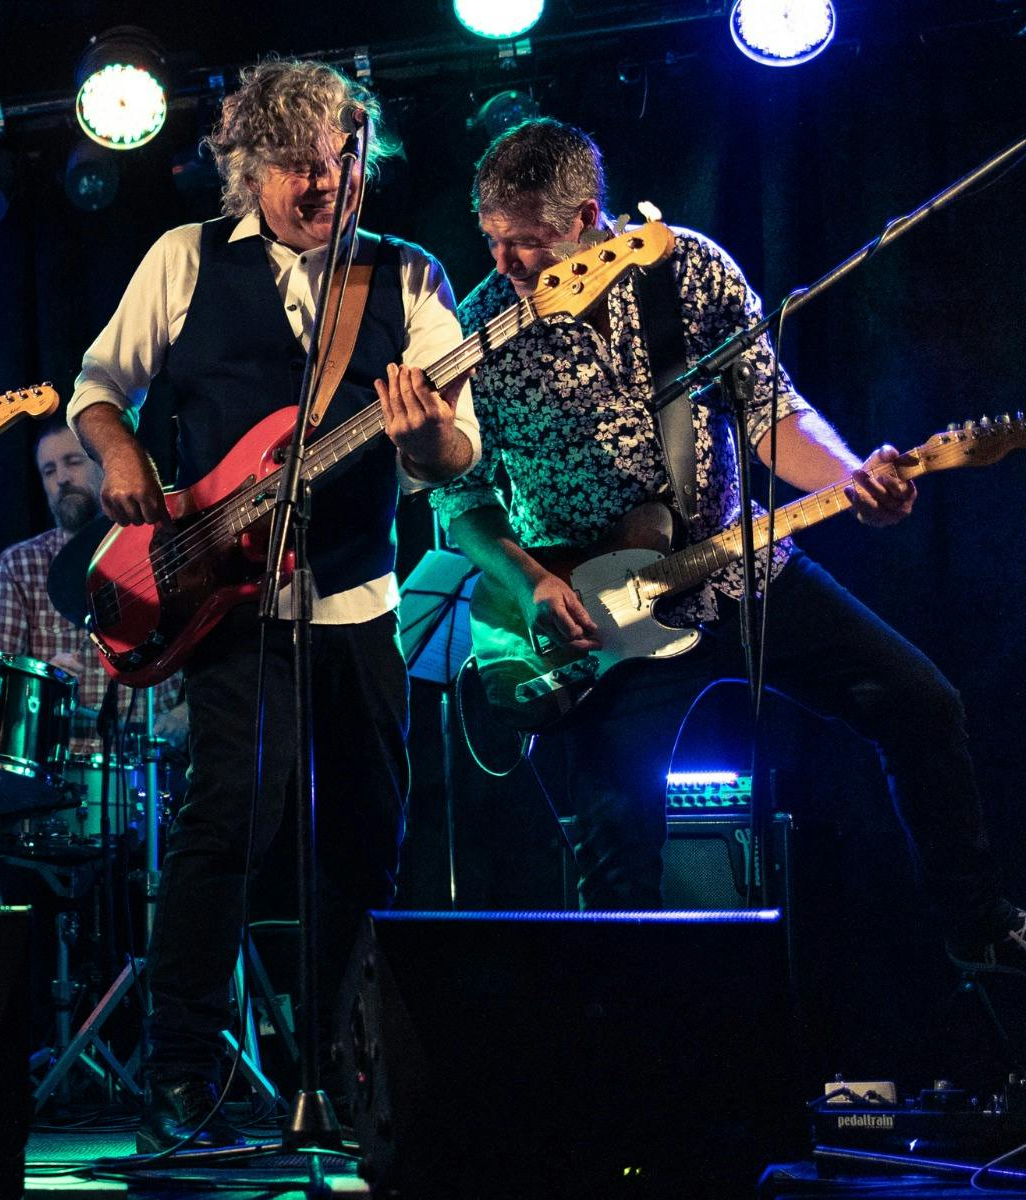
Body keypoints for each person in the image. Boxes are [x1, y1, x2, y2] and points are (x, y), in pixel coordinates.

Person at [437, 118, 1023, 971]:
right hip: (599, 619)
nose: (503, 264)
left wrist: (852, 477)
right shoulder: (484, 326)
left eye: (522, 242)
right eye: (490, 239)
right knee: (616, 858)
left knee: (922, 704)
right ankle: (637, 1033)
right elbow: (460, 496)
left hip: (734, 566)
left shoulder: (689, 271)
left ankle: (981, 931)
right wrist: (529, 582)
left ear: (586, 218)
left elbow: (771, 411)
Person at [70, 59, 479, 1150]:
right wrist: (121, 457)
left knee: (366, 841)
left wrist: (425, 438)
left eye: (339, 162)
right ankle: (179, 1076)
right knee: (227, 823)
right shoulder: (184, 256)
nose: (322, 183)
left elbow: (456, 455)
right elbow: (99, 387)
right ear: (247, 170)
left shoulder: (407, 274)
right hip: (224, 600)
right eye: (298, 165)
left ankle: (341, 1076)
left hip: (359, 601)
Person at [0, 419, 187, 759]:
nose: (62, 478)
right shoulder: (20, 565)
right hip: (58, 763)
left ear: (104, 465)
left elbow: (210, 642)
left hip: (151, 764)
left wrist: (186, 712)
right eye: (49, 471)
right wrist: (43, 681)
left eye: (73, 462)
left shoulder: (159, 547)